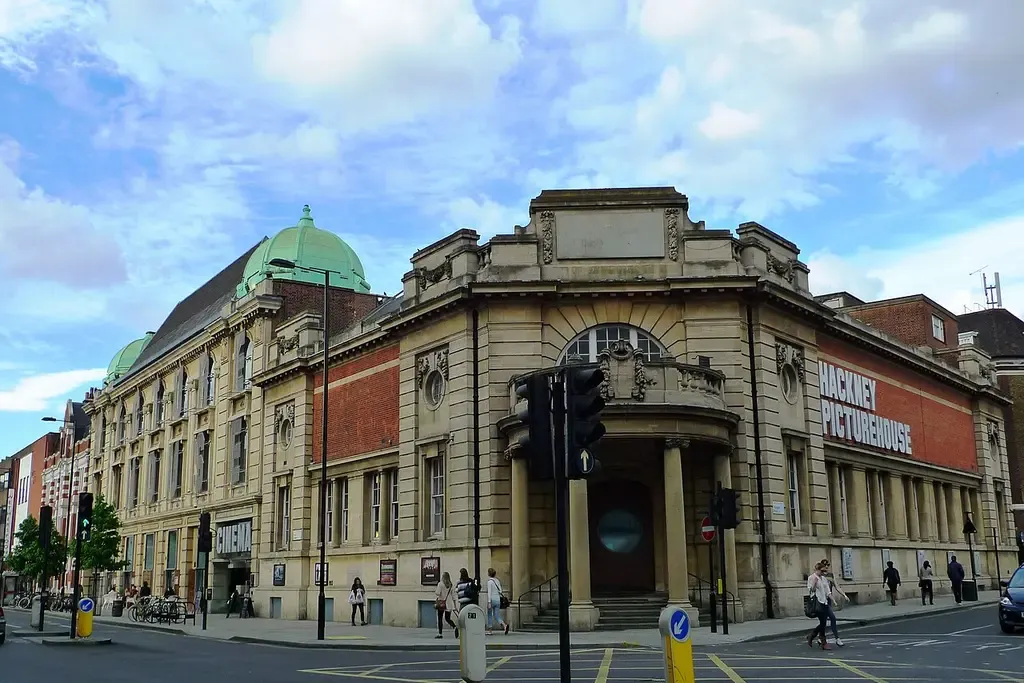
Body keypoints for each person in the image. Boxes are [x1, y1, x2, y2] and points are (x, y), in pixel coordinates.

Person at [820, 559, 847, 647]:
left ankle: (822, 637)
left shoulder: (830, 575)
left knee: (827, 620)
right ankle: (836, 638)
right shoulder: (818, 576)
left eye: (828, 565)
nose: (826, 567)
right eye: (824, 565)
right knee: (830, 619)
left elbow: (837, 586)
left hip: (828, 600)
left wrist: (844, 595)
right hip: (820, 601)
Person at [805, 561, 832, 650]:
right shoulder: (811, 578)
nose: (823, 573)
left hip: (824, 602)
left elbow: (827, 591)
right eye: (821, 571)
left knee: (823, 623)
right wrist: (814, 583)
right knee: (823, 623)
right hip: (817, 603)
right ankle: (823, 642)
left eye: (824, 571)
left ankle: (812, 636)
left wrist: (832, 599)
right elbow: (811, 591)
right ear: (817, 570)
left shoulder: (823, 578)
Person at [485, 568, 510, 635]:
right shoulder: (497, 581)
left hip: (492, 599)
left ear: (488, 574)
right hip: (498, 599)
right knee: (496, 615)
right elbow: (500, 591)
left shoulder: (489, 582)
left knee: (490, 615)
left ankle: (490, 631)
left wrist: (489, 602)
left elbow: (489, 592)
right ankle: (504, 625)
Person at [434, 572, 458, 639]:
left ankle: (440, 633)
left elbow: (437, 593)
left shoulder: (440, 584)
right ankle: (454, 627)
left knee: (440, 618)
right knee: (448, 619)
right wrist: (455, 606)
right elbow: (454, 596)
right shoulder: (451, 585)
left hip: (441, 604)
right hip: (449, 604)